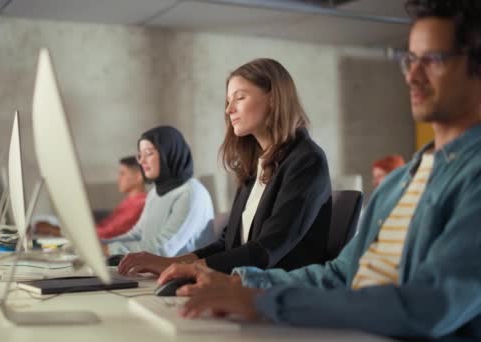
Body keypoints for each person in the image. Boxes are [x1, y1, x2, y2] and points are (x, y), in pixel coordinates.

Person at [157, 0, 481, 339]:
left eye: (433, 59)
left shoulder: (472, 175)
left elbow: (430, 306)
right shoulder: (399, 182)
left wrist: (268, 302)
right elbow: (339, 275)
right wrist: (240, 282)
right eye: (409, 60)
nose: (413, 75)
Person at [118, 58, 332, 275]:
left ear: (274, 99)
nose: (229, 109)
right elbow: (229, 244)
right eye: (228, 101)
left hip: (280, 294)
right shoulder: (255, 164)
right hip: (246, 284)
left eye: (240, 97)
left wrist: (190, 269)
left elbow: (266, 249)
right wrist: (171, 263)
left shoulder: (307, 160)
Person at [103, 126, 215, 257]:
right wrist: (99, 244)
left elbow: (163, 248)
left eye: (149, 153)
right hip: (155, 270)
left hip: (186, 274)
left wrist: (108, 249)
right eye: (140, 155)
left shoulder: (191, 193)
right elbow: (137, 234)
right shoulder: (155, 192)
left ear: (169, 153)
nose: (142, 161)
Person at [35, 156, 146, 239]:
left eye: (123, 174)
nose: (118, 179)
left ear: (139, 177)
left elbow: (105, 233)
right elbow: (103, 227)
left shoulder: (140, 203)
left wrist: (57, 230)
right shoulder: (130, 201)